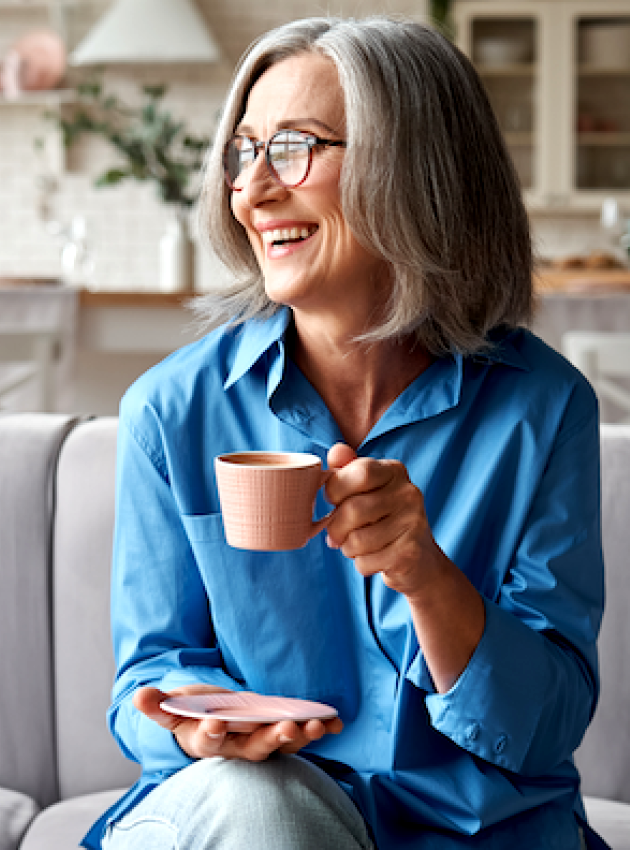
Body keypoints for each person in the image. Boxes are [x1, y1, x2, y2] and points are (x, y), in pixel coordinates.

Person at [82, 15, 608, 850]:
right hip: (252, 813)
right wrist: (194, 727)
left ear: (416, 169)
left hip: (475, 833)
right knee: (264, 812)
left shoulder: (543, 411)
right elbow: (147, 678)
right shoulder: (171, 412)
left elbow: (545, 726)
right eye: (242, 152)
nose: (253, 191)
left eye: (293, 147)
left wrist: (426, 576)